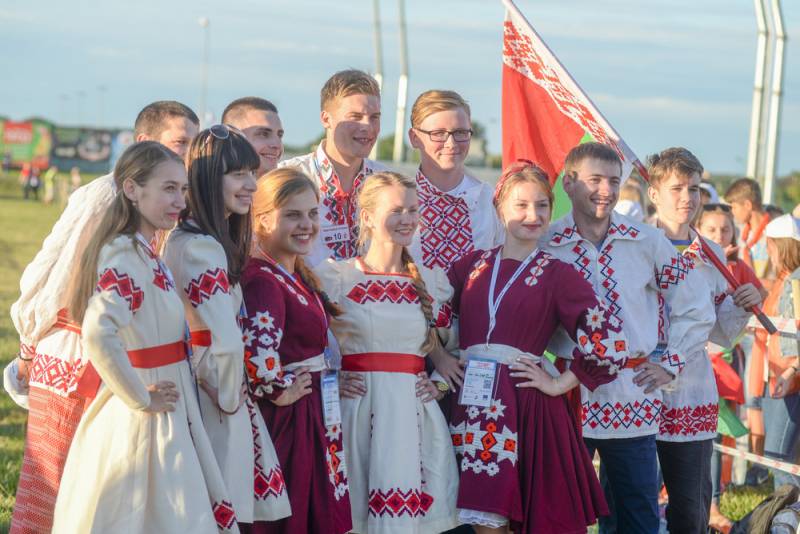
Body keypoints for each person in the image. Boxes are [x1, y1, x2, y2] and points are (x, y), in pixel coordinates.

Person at [5, 100, 199, 534]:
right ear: (143, 144)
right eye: (179, 143)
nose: (188, 154)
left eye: (193, 144)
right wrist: (29, 347)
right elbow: (53, 273)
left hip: (111, 360)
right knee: (55, 496)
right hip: (75, 358)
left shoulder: (154, 208)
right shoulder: (105, 196)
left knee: (92, 494)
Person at [51, 141, 236, 533]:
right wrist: (140, 397)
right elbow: (99, 331)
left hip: (167, 400)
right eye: (169, 189)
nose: (180, 202)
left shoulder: (143, 251)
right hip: (147, 412)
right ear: (132, 189)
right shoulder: (125, 255)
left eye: (183, 190)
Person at [446, 162, 629, 533]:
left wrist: (560, 383)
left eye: (542, 205)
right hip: (467, 401)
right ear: (499, 208)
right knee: (479, 519)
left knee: (521, 515)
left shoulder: (559, 274)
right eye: (521, 205)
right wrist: (439, 358)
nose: (533, 215)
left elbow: (610, 341)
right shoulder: (471, 266)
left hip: (523, 404)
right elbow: (427, 316)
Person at [541, 142, 707, 534]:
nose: (606, 190)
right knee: (559, 512)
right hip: (568, 394)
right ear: (569, 183)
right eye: (595, 180)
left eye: (614, 181)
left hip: (632, 395)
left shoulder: (646, 242)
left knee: (638, 515)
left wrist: (670, 364)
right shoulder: (548, 243)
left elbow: (695, 305)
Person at [315, 172, 459, 533]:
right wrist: (329, 380)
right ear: (367, 216)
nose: (407, 219)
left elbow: (458, 349)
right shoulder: (336, 279)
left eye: (412, 209)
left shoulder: (432, 283)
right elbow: (302, 342)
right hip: (358, 412)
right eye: (396, 210)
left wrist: (440, 385)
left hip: (412, 415)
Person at [164, 125, 291, 528]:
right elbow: (226, 340)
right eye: (238, 174)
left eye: (252, 173)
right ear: (207, 178)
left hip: (201, 382)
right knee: (220, 505)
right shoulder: (201, 247)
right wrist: (232, 397)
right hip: (213, 392)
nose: (252, 184)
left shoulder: (188, 237)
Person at [646, 148, 758, 534]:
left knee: (691, 510)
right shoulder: (632, 244)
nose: (686, 197)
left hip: (691, 391)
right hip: (637, 389)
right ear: (654, 193)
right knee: (632, 507)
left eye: (693, 188)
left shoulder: (710, 253)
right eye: (676, 188)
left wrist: (740, 306)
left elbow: (720, 332)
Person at [243, 167, 352, 533]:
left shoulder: (292, 273)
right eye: (292, 215)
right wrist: (278, 389)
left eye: (312, 213)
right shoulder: (262, 279)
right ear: (262, 219)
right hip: (290, 421)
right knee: (294, 515)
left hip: (313, 410)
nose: (307, 224)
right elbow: (258, 349)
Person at [696, 202, 766, 532]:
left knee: (715, 432)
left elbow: (758, 294)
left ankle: (713, 502)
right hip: (686, 364)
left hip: (724, 362)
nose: (719, 235)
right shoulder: (689, 262)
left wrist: (751, 298)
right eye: (711, 229)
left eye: (725, 229)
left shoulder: (737, 266)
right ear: (698, 230)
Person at [280, 69, 387, 266]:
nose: (367, 126)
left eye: (375, 117)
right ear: (326, 119)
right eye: (355, 116)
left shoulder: (387, 183)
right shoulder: (288, 176)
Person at [406, 89, 502, 271]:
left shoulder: (490, 200)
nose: (451, 143)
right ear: (414, 138)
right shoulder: (397, 199)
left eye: (460, 132)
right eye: (438, 133)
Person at [725, 178, 774, 461]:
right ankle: (755, 464)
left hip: (767, 324)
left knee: (758, 397)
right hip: (749, 325)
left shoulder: (769, 235)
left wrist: (752, 287)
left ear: (747, 204)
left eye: (734, 206)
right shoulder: (747, 235)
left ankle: (761, 465)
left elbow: (776, 281)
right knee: (750, 396)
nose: (732, 212)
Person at [749, 214, 800, 489]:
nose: (767, 252)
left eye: (769, 246)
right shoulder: (783, 279)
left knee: (780, 461)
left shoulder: (796, 282)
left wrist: (790, 372)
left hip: (789, 379)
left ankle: (788, 513)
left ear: (779, 246)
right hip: (778, 376)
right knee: (779, 459)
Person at [222, 97, 285, 178]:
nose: (277, 145)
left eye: (279, 135)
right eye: (264, 134)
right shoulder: (208, 184)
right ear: (233, 138)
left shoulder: (292, 181)